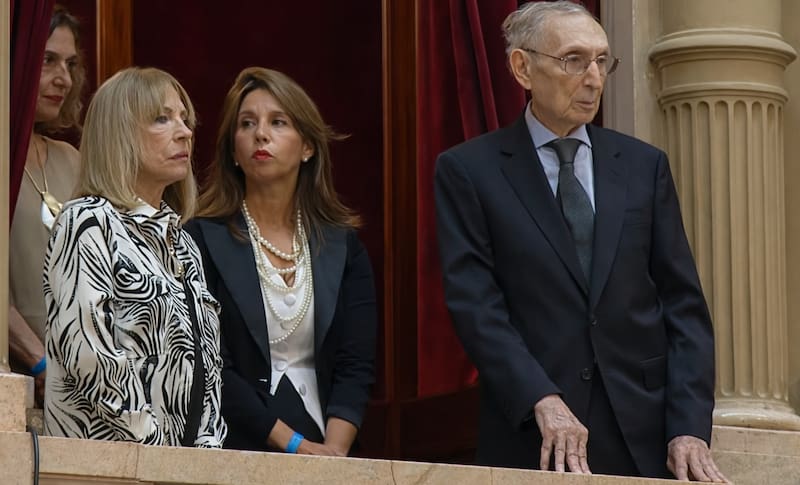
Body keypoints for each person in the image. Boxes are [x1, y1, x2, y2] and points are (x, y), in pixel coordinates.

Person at [434, 1, 727, 482]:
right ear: (522, 67)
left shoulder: (642, 166)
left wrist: (689, 428)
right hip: (534, 435)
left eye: (601, 60)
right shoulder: (469, 171)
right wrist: (540, 398)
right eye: (574, 60)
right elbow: (475, 305)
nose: (593, 77)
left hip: (647, 438)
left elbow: (684, 307)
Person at [185, 67, 376, 456]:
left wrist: (334, 455)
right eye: (247, 123)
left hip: (330, 448)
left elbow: (356, 364)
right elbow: (209, 364)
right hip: (235, 444)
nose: (261, 134)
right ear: (233, 152)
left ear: (307, 147)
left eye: (278, 122)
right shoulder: (200, 239)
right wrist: (292, 445)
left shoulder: (343, 246)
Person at [43, 67, 227, 447]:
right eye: (162, 118)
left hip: (183, 470)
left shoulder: (184, 244)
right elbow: (87, 354)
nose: (186, 131)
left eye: (184, 118)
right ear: (119, 134)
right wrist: (155, 444)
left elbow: (207, 367)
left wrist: (206, 453)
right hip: (110, 466)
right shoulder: (87, 222)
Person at [9, 4, 84, 408]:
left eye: (70, 64)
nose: (64, 79)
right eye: (48, 60)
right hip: (15, 385)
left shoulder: (71, 159)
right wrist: (39, 363)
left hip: (76, 389)